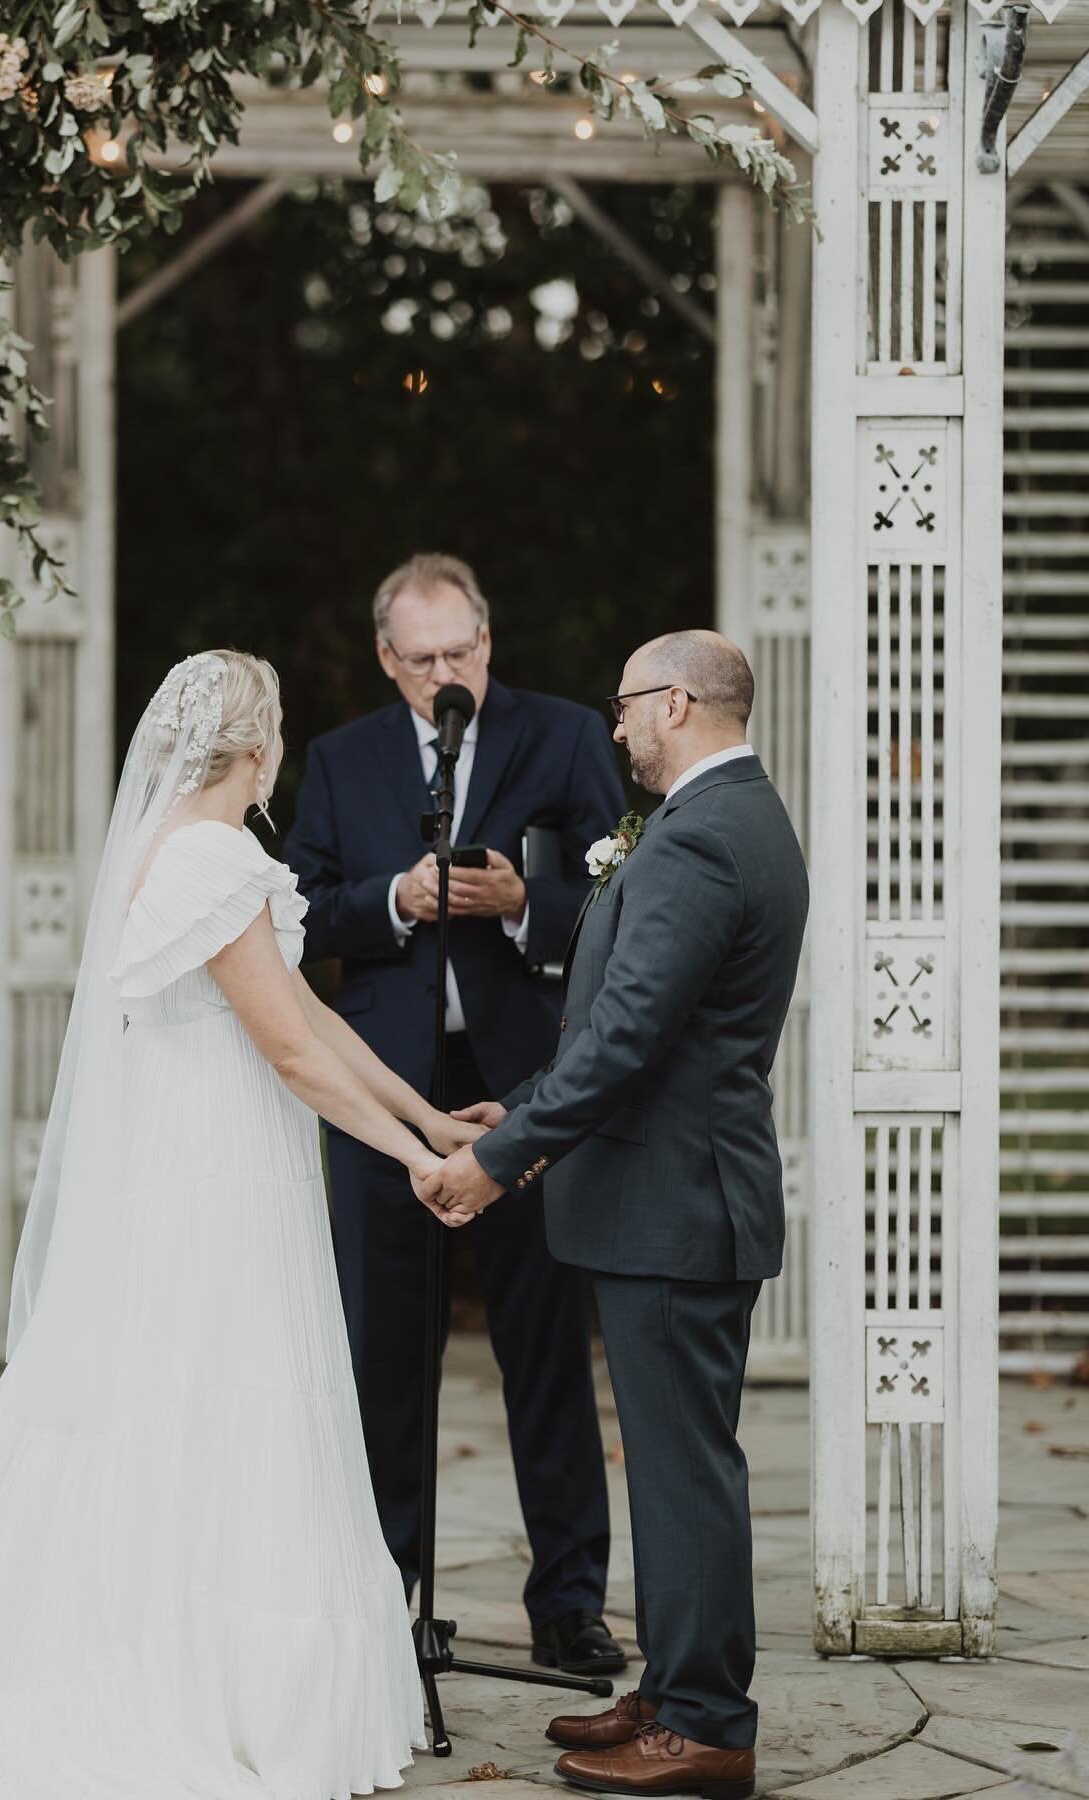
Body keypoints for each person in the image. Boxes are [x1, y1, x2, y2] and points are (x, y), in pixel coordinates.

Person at [0, 651, 486, 1799]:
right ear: (254, 751)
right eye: (280, 733)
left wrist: (432, 1119)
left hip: (217, 1161)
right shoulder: (210, 857)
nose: (283, 753)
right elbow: (291, 1048)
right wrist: (415, 1162)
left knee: (196, 1402)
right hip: (215, 1176)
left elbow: (308, 1015)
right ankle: (199, 1677)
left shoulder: (198, 854)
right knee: (215, 1403)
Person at [427, 630, 809, 1800]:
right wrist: (528, 1100)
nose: (615, 725)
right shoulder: (728, 820)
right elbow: (631, 1033)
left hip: (676, 1205)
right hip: (669, 1196)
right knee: (675, 1463)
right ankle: (679, 1685)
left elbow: (634, 1040)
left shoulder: (702, 839)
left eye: (628, 704)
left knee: (688, 1469)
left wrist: (502, 1156)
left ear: (679, 703)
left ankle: (707, 1726)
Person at [283, 553, 628, 1676]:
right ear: (389, 661)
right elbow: (298, 912)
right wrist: (395, 899)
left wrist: (527, 903)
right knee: (386, 1352)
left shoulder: (570, 736)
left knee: (546, 1349)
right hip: (383, 1091)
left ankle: (569, 1599)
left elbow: (620, 904)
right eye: (424, 658)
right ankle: (390, 1591)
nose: (449, 674)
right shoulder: (340, 761)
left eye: (463, 652)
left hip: (527, 1088)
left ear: (490, 640)